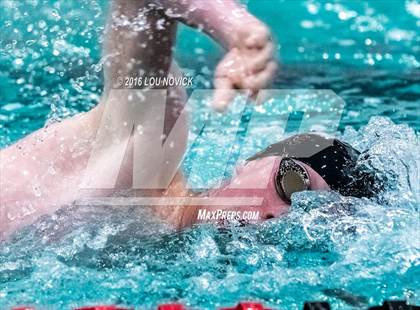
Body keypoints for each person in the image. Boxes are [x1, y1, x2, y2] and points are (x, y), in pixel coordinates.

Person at [0, 0, 374, 240]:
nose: (281, 218)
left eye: (312, 225)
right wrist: (235, 29)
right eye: (292, 185)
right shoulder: (150, 155)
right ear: (253, 161)